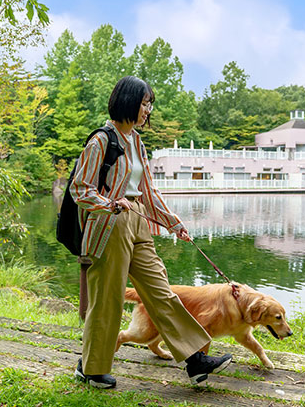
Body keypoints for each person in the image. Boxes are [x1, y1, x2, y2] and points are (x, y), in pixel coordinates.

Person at [71, 76, 232, 388]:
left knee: (161, 290)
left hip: (138, 218)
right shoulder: (102, 140)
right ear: (129, 102)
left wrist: (173, 222)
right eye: (145, 104)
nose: (149, 110)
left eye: (150, 105)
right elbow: (80, 189)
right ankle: (90, 369)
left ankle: (194, 358)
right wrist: (109, 204)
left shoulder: (137, 143)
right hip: (109, 223)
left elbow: (147, 190)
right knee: (107, 299)